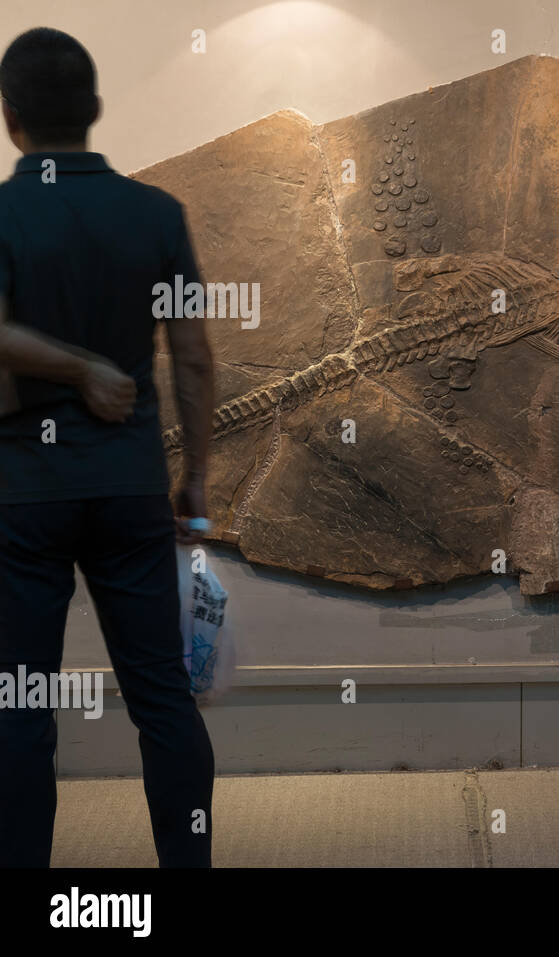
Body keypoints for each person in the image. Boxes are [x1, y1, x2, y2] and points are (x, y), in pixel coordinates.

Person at [0, 27, 216, 867]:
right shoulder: (156, 214)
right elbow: (192, 354)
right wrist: (195, 479)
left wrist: (62, 366)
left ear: (11, 118)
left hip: (22, 496)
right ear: (93, 112)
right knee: (162, 696)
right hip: (129, 483)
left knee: (19, 708)